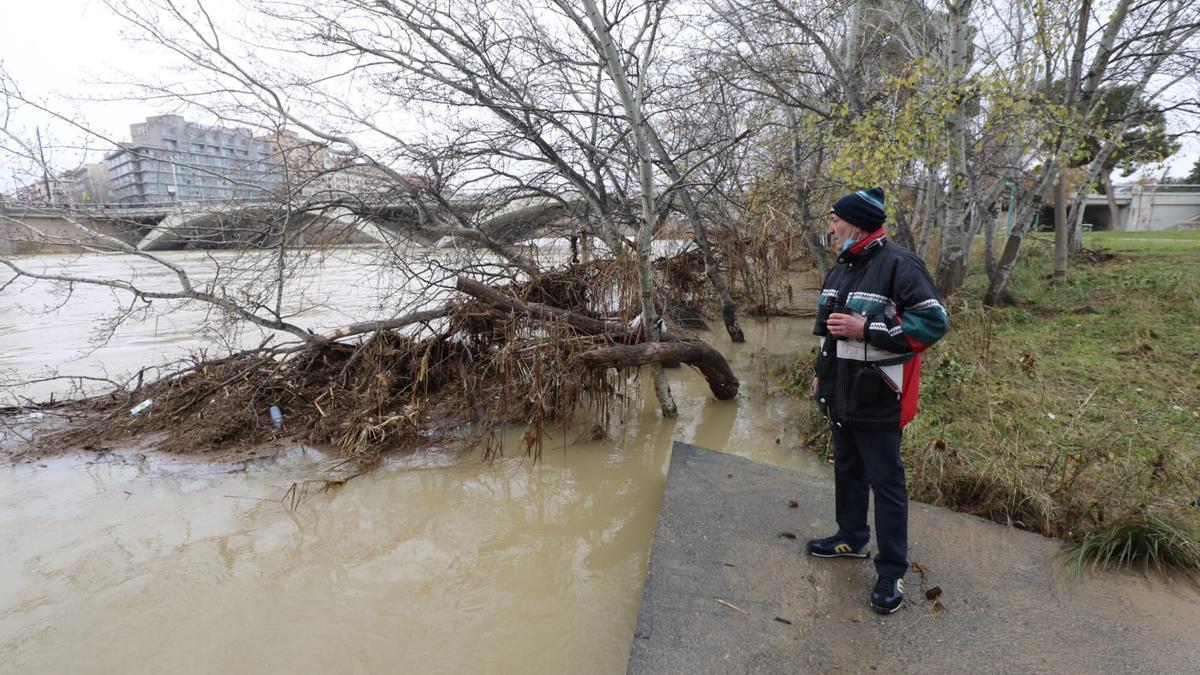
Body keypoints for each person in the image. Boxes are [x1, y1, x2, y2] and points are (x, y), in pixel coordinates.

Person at [806, 187, 948, 615]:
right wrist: (820, 372)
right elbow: (831, 332)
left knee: (886, 484)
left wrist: (865, 327)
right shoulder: (842, 268)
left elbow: (931, 324)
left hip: (879, 396)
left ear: (857, 223)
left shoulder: (900, 264)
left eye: (834, 220)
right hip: (841, 394)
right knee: (847, 469)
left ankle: (891, 570)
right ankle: (850, 537)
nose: (829, 228)